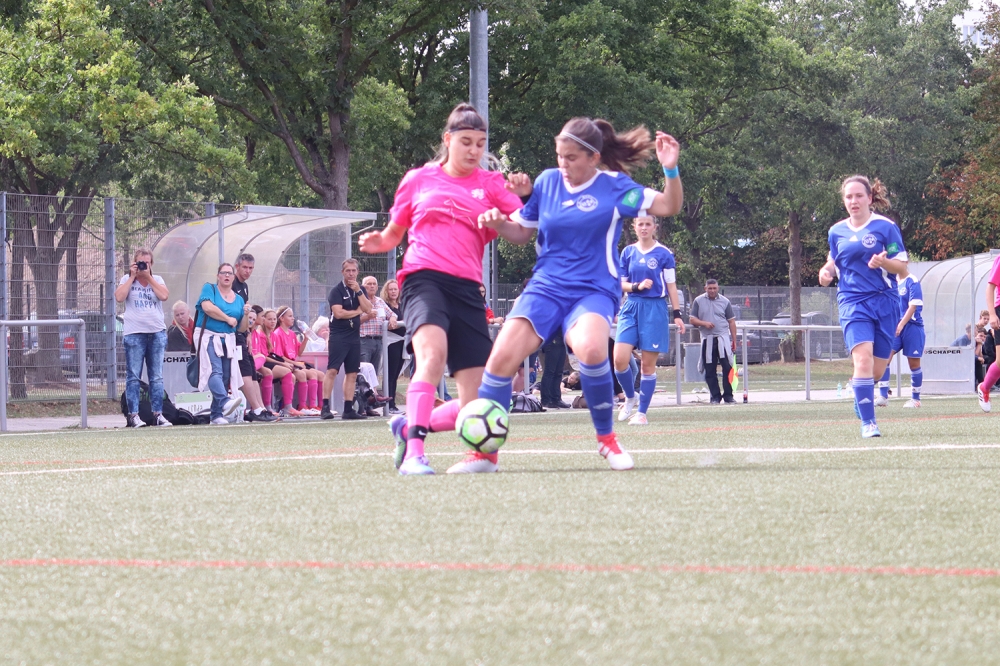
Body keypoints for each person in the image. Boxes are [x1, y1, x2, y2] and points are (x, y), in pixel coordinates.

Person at [462, 115, 684, 473]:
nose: (562, 164)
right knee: (500, 358)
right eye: (559, 156)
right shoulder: (548, 182)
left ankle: (607, 440)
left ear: (594, 157)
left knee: (593, 350)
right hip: (546, 287)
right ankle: (484, 455)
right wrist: (500, 223)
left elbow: (669, 206)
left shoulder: (614, 186)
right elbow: (522, 233)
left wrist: (670, 170)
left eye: (571, 158)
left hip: (593, 289)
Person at [359, 103, 529, 474]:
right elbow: (394, 233)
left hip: (468, 288)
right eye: (466, 142)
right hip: (423, 280)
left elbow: (522, 233)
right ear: (447, 139)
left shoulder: (491, 184)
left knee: (477, 404)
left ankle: (411, 427)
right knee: (432, 357)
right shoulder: (418, 179)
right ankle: (415, 455)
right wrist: (379, 242)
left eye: (480, 143)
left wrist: (504, 219)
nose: (474, 150)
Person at [818, 175, 908, 437]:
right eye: (849, 197)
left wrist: (884, 262)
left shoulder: (886, 227)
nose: (854, 201)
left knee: (877, 370)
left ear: (870, 198)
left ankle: (861, 396)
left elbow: (901, 267)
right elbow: (834, 259)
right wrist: (826, 271)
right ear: (844, 201)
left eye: (859, 196)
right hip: (852, 301)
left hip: (885, 301)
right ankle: (869, 422)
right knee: (863, 359)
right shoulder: (836, 231)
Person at [613, 216, 685, 424]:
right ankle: (630, 396)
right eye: (640, 224)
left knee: (647, 365)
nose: (644, 228)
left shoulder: (664, 253)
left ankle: (642, 413)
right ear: (634, 227)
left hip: (655, 308)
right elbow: (620, 284)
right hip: (631, 306)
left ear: (654, 227)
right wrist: (637, 286)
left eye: (647, 224)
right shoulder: (628, 252)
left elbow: (671, 285)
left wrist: (677, 314)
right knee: (619, 360)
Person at [115, 248, 171, 428]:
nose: (143, 266)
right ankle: (133, 415)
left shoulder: (157, 280)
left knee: (156, 377)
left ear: (151, 264)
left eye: (146, 263)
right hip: (134, 334)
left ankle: (158, 414)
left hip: (156, 332)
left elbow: (164, 296)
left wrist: (148, 277)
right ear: (134, 262)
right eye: (140, 262)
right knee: (133, 376)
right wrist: (132, 277)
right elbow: (119, 297)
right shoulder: (127, 279)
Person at [193, 263, 251, 424]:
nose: (226, 276)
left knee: (226, 375)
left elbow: (241, 327)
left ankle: (216, 414)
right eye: (223, 273)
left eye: (229, 273)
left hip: (228, 339)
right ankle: (225, 402)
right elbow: (207, 307)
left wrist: (246, 315)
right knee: (215, 370)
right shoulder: (209, 289)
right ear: (218, 275)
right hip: (209, 336)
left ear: (233, 277)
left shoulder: (239, 299)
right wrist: (227, 319)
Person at [321, 258, 372, 420]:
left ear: (357, 272)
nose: (351, 274)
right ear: (342, 272)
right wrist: (358, 311)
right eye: (348, 271)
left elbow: (368, 308)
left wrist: (359, 292)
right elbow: (338, 313)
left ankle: (348, 409)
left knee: (352, 373)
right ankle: (325, 407)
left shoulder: (360, 289)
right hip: (338, 335)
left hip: (354, 336)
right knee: (332, 370)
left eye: (353, 270)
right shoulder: (336, 291)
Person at [875, 265, 924, 408]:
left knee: (913, 364)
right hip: (895, 327)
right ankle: (883, 396)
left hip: (912, 327)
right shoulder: (892, 282)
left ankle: (916, 399)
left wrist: (902, 324)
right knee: (884, 358)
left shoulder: (912, 281)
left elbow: (913, 306)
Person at [689, 280, 736, 405]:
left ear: (718, 288)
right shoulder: (698, 301)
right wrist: (704, 323)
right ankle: (715, 396)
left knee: (728, 368)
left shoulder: (725, 301)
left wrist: (734, 340)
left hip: (722, 339)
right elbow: (692, 319)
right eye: (710, 288)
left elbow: (731, 321)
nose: (712, 290)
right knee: (709, 370)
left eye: (714, 288)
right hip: (707, 339)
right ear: (705, 288)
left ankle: (728, 396)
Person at [272, 306, 323, 416]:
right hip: (286, 365)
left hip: (294, 364)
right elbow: (279, 356)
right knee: (304, 374)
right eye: (290, 316)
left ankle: (319, 406)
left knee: (321, 375)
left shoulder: (292, 334)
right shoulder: (277, 333)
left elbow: (299, 352)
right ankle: (303, 406)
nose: (293, 318)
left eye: (293, 316)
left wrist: (306, 338)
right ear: (282, 318)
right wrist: (295, 363)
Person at [258, 308, 299, 417]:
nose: (272, 321)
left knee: (292, 375)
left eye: (274, 319)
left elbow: (277, 355)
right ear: (263, 320)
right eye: (269, 319)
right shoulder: (261, 334)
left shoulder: (273, 335)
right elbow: (265, 357)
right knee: (286, 371)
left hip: (271, 362)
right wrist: (283, 364)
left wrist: (285, 363)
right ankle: (270, 407)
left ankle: (286, 406)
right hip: (262, 362)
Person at [381, 279, 406, 414]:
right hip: (391, 343)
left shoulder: (402, 305)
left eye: (395, 289)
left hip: (402, 342)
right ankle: (389, 404)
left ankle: (393, 403)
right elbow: (388, 324)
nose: (393, 292)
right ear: (386, 291)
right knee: (390, 374)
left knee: (396, 374)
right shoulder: (385, 306)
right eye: (390, 289)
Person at [359, 276, 388, 376]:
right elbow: (352, 322)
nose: (372, 286)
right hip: (364, 341)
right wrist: (368, 317)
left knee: (374, 373)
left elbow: (392, 314)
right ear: (363, 287)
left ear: (377, 287)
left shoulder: (380, 301)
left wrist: (393, 319)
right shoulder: (358, 301)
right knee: (364, 371)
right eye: (369, 284)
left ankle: (373, 387)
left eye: (374, 284)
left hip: (378, 341)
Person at [539, 328, 570, 409]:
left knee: (559, 372)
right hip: (552, 339)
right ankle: (546, 400)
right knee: (550, 371)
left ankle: (556, 399)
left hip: (562, 339)